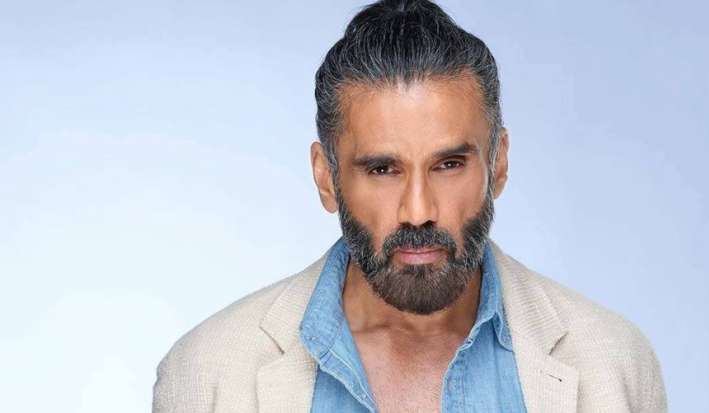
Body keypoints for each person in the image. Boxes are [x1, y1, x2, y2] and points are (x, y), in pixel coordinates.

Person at [152, 1, 668, 412]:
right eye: (382, 169)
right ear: (326, 177)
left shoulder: (612, 363)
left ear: (498, 163)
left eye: (448, 165)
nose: (418, 211)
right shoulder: (208, 374)